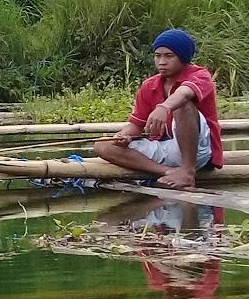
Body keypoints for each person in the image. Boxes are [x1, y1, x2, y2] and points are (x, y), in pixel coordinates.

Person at [93, 28, 224, 191]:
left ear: (183, 58)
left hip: (199, 150)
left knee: (182, 104)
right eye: (157, 55)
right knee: (103, 146)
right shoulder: (150, 85)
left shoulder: (200, 75)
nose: (161, 61)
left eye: (169, 56)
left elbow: (184, 94)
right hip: (168, 148)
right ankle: (170, 172)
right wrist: (123, 135)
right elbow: (136, 125)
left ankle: (188, 171)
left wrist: (164, 107)